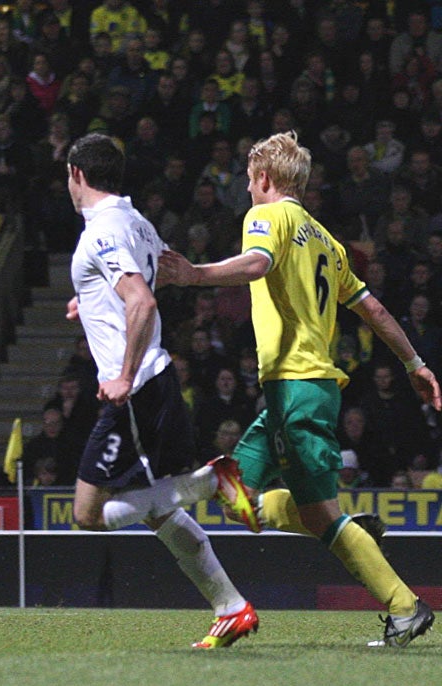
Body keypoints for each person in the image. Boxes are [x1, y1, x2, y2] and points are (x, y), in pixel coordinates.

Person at [159, 130, 442, 647]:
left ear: (264, 178)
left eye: (249, 180)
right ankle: (347, 529)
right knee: (236, 492)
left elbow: (258, 263)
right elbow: (373, 308)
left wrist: (193, 274)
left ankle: (406, 606)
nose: (247, 190)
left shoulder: (267, 217)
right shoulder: (325, 239)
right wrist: (415, 363)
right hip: (302, 390)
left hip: (296, 387)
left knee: (299, 509)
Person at [64, 131, 258, 649]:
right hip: (159, 381)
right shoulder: (136, 222)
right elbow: (151, 278)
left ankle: (209, 484)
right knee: (157, 511)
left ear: (77, 175)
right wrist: (88, 303)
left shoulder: (102, 231)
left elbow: (142, 301)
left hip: (138, 388)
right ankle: (231, 606)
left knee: (87, 514)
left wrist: (122, 377)